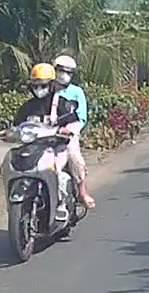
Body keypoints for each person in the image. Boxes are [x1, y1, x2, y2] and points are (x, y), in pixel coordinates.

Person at [12, 63, 81, 221]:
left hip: (56, 147)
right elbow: (17, 125)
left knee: (58, 171)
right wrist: (9, 133)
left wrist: (67, 129)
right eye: (35, 85)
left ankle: (62, 203)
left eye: (43, 85)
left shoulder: (61, 103)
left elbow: (73, 120)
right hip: (33, 147)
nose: (39, 89)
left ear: (52, 85)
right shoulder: (27, 107)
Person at [52, 54, 96, 209]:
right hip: (48, 131)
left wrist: (69, 130)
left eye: (68, 72)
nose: (63, 75)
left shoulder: (76, 92)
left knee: (74, 156)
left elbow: (81, 117)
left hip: (68, 132)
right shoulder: (47, 90)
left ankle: (82, 191)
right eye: (61, 71)